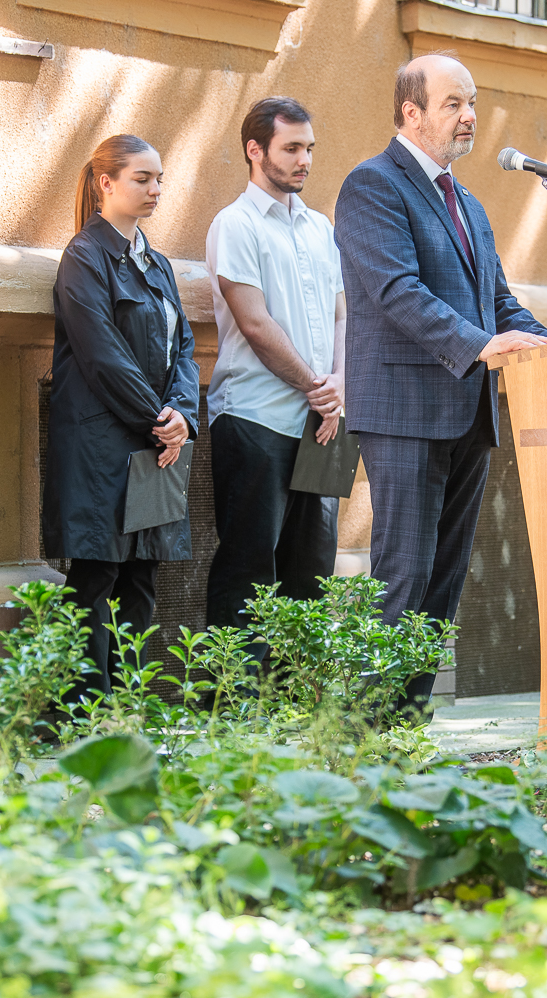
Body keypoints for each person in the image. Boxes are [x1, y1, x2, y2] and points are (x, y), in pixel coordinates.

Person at [333, 54, 547, 713]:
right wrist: (479, 346)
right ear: (411, 112)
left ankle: (406, 731)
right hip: (405, 413)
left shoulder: (467, 203)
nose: (469, 115)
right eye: (453, 104)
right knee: (404, 577)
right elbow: (397, 292)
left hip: (469, 411)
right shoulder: (372, 186)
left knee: (442, 586)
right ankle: (366, 736)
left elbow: (497, 304)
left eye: (471, 102)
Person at [44, 135, 198, 699]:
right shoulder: (84, 256)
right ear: (106, 183)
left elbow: (184, 348)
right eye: (142, 178)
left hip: (155, 443)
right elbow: (102, 355)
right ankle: (85, 715)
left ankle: (128, 708)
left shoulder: (157, 263)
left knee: (141, 577)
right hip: (101, 444)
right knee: (96, 575)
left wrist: (183, 414)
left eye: (159, 179)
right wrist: (160, 418)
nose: (155, 189)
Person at [204, 97, 346, 632]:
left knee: (312, 574)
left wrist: (340, 384)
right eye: (291, 148)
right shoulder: (235, 224)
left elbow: (343, 316)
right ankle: (236, 687)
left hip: (320, 425)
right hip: (255, 419)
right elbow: (255, 324)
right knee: (249, 572)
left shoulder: (320, 228)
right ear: (255, 150)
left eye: (309, 148)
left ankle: (296, 687)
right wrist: (317, 387)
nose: (304, 160)